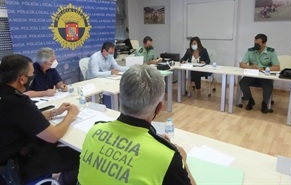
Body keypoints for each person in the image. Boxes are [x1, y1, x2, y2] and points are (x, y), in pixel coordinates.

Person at [78, 65, 196, 185]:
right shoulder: (168, 157)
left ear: (120, 98)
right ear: (159, 108)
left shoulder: (94, 131)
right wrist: (183, 162)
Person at [0, 54, 80, 185]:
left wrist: (55, 112)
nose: (33, 77)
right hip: (14, 166)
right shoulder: (18, 101)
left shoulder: (6, 95)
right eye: (31, 75)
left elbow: (27, 117)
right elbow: (54, 135)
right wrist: (70, 115)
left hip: (9, 155)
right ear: (22, 79)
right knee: (75, 155)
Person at [239, 33, 280, 113]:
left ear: (264, 43)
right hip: (252, 75)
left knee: (268, 86)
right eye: (255, 43)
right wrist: (251, 67)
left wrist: (263, 68)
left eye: (258, 44)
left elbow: (277, 67)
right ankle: (250, 100)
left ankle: (265, 103)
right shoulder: (250, 50)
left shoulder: (271, 52)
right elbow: (242, 64)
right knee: (242, 82)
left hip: (265, 75)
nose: (256, 45)